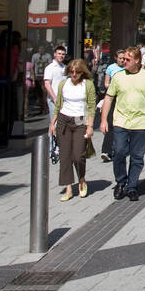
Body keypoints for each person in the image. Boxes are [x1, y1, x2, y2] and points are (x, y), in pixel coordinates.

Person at [99, 46, 145, 202]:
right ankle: (121, 181)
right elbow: (108, 98)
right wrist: (103, 120)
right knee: (119, 151)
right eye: (123, 59)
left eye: (127, 59)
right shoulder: (118, 77)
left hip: (140, 122)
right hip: (120, 121)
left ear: (136, 60)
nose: (123, 61)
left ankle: (132, 186)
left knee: (137, 157)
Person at [50, 58, 96, 200]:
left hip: (80, 120)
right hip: (64, 120)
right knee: (65, 156)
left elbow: (91, 106)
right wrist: (53, 123)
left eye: (77, 72)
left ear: (83, 72)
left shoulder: (88, 85)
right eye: (71, 71)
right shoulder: (64, 84)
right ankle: (68, 188)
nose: (74, 74)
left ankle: (81, 179)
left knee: (78, 155)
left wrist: (90, 126)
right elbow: (58, 104)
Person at [43, 45, 67, 123]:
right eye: (59, 53)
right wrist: (54, 98)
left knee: (62, 124)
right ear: (55, 54)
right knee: (54, 123)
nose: (61, 56)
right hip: (54, 100)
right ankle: (51, 135)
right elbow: (47, 84)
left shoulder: (64, 67)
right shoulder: (50, 68)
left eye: (63, 54)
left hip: (64, 100)